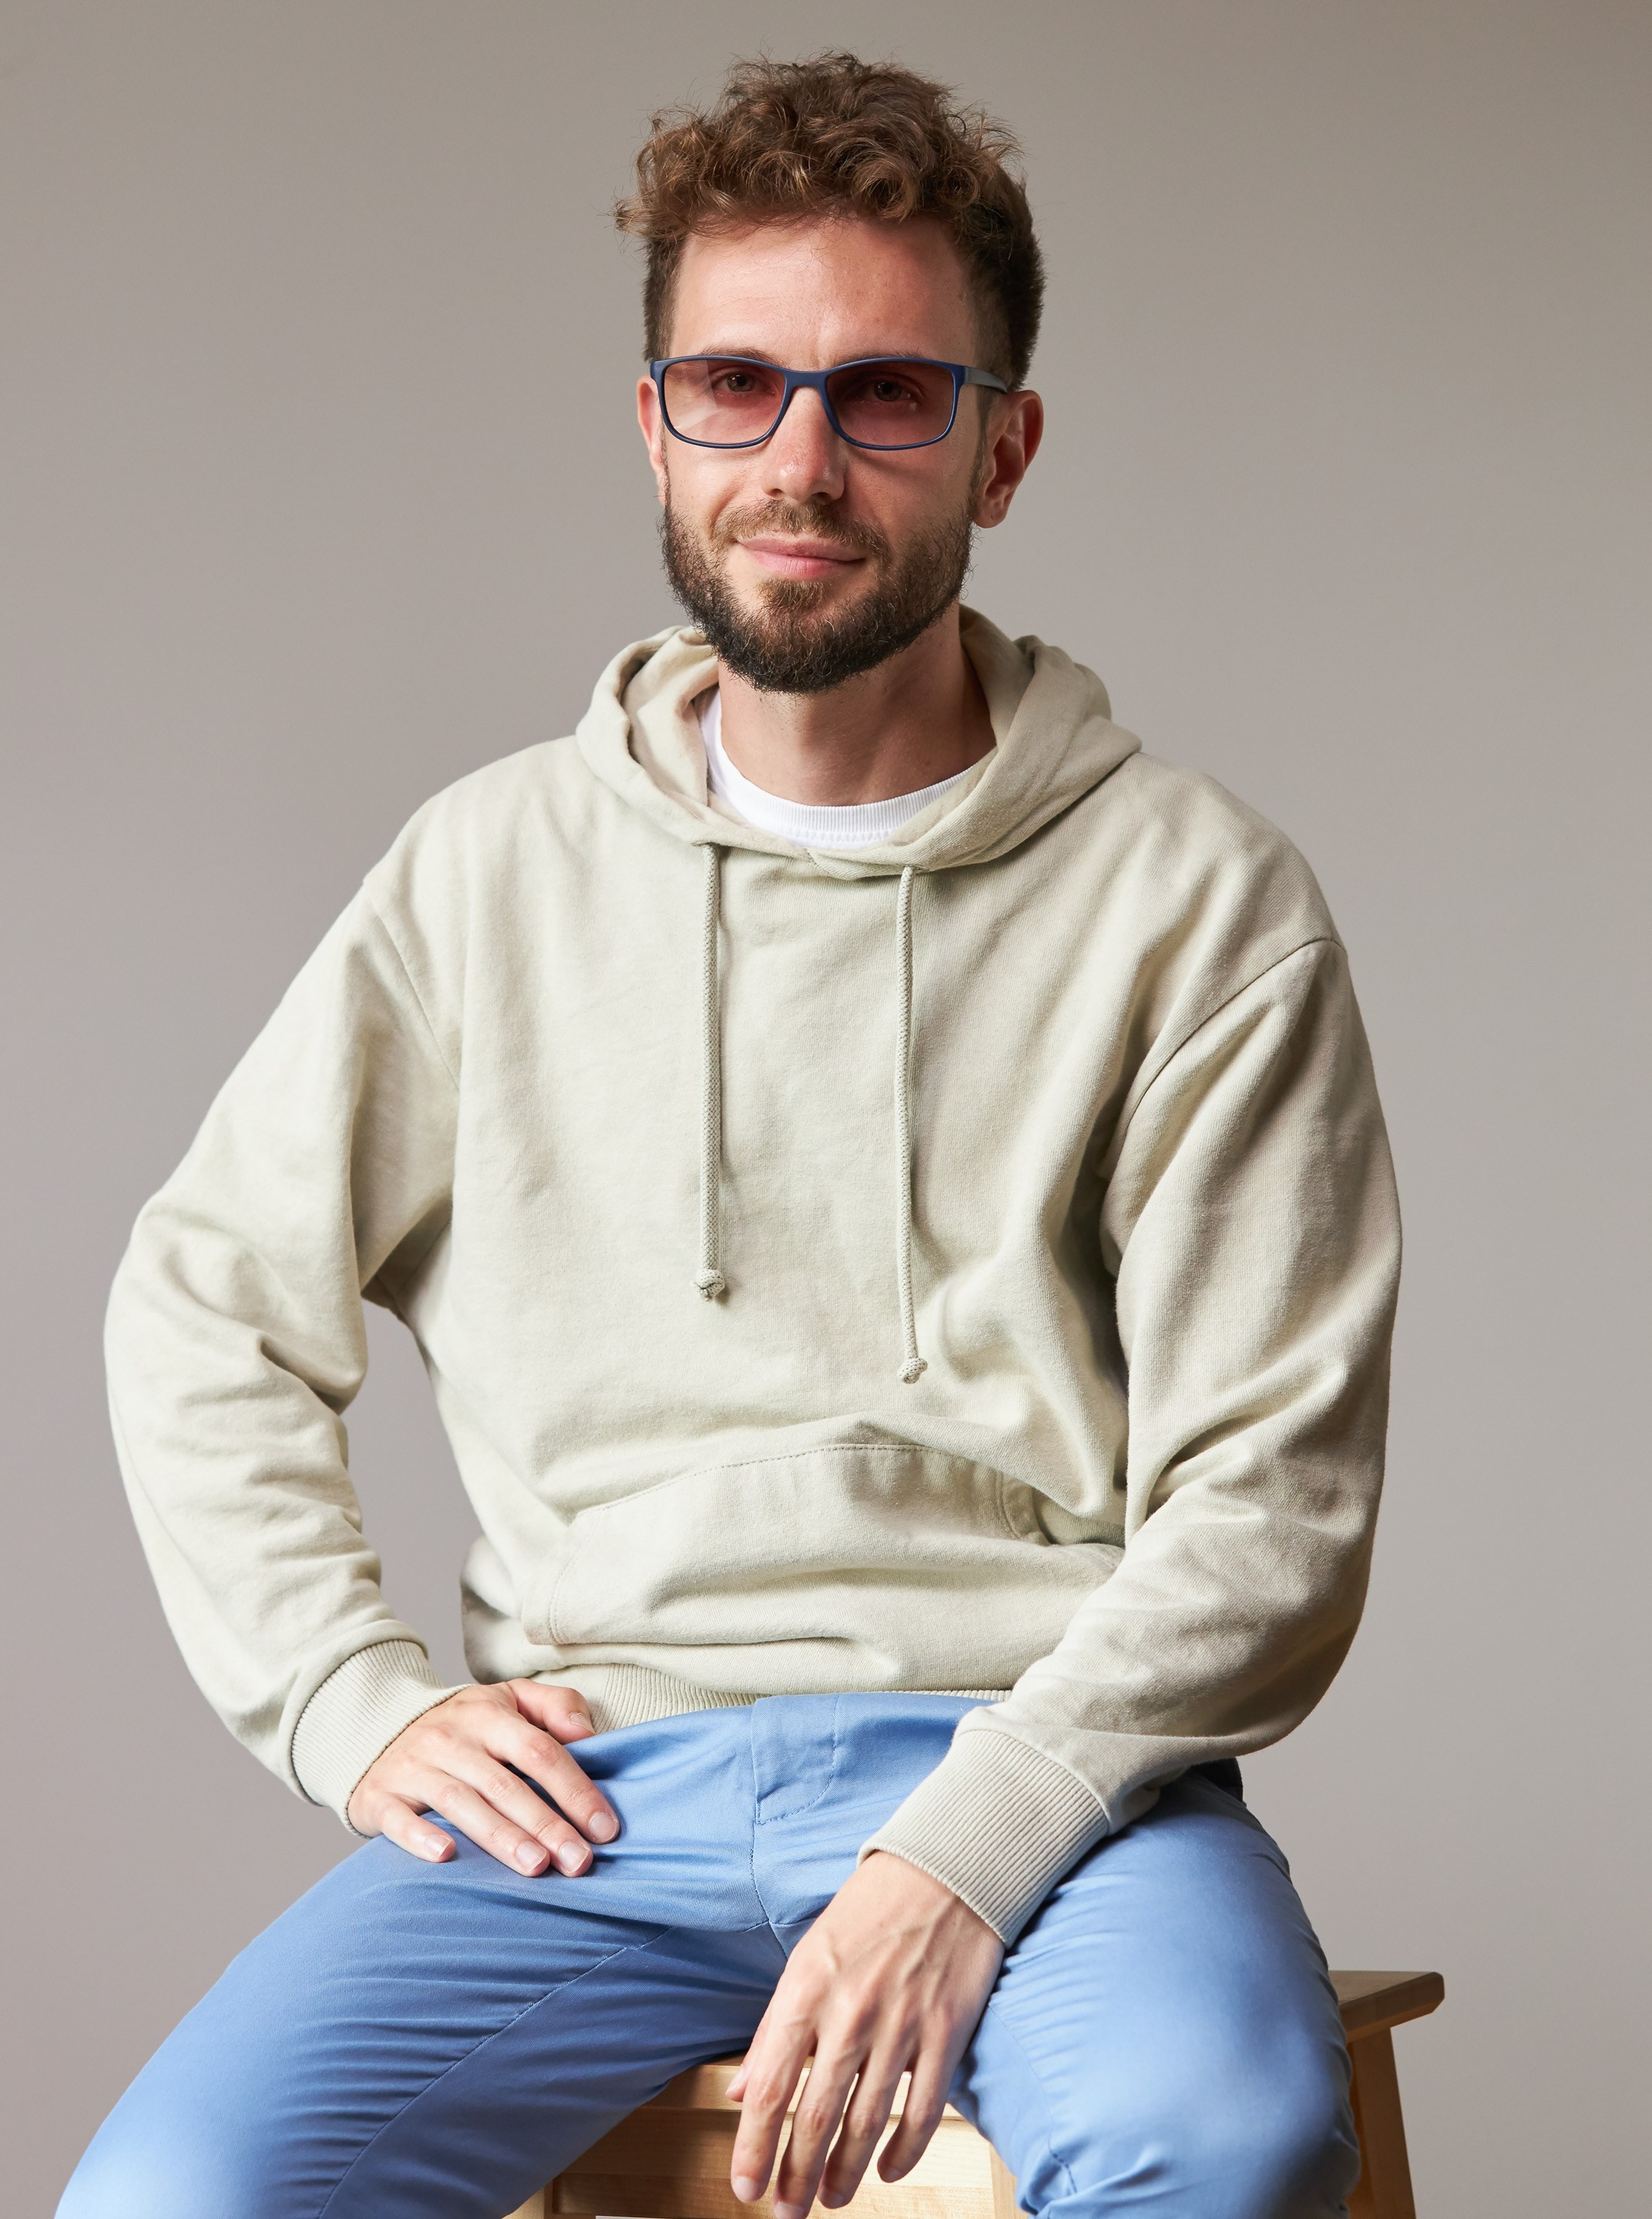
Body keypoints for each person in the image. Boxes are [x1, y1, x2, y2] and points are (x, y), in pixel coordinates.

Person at [61, 52, 1399, 2219]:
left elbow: (1277, 1504)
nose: (801, 460)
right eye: (734, 385)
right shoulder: (483, 875)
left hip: (1057, 1789)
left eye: (883, 394)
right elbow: (204, 1301)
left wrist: (958, 1858)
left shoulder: (1195, 900)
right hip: (590, 1814)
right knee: (177, 2203)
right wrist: (343, 1697)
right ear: (655, 423)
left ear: (1002, 443)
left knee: (1218, 2144)